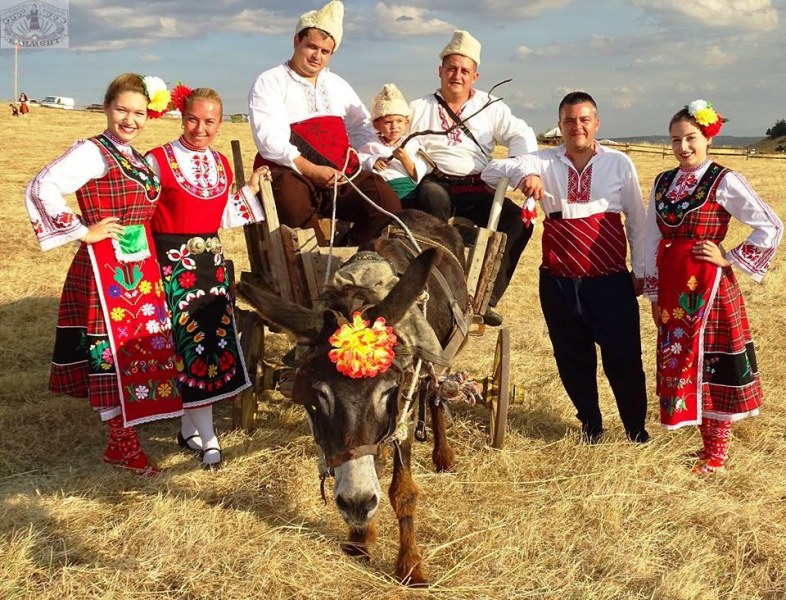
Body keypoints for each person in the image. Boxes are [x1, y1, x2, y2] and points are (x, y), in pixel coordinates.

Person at [24, 73, 182, 476]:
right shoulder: (93, 153)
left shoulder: (134, 156)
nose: (129, 120)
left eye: (139, 113)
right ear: (107, 107)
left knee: (133, 353)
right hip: (105, 268)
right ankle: (124, 448)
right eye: (122, 110)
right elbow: (42, 187)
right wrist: (83, 231)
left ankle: (121, 444)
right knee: (112, 355)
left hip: (138, 269)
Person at [482, 91, 650, 443]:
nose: (577, 127)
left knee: (624, 358)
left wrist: (642, 271)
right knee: (572, 358)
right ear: (560, 125)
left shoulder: (619, 163)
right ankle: (591, 425)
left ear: (596, 123)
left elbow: (636, 220)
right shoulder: (544, 161)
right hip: (559, 280)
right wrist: (527, 172)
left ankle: (636, 429)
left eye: (584, 119)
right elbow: (491, 170)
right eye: (570, 120)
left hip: (609, 280)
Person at [644, 100, 782, 474]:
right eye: (675, 140)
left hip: (710, 285)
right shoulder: (662, 182)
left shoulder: (724, 179)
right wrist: (654, 292)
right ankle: (705, 447)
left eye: (690, 138)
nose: (683, 147)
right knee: (684, 360)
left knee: (711, 363)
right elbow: (650, 236)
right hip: (674, 286)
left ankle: (717, 453)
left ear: (707, 138)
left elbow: (770, 225)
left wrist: (730, 258)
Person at [146, 86, 270, 470]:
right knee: (188, 348)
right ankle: (209, 437)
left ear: (219, 122)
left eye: (210, 121)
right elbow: (141, 215)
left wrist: (248, 189)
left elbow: (220, 218)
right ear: (182, 117)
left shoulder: (220, 163)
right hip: (171, 264)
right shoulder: (157, 160)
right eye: (193, 119)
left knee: (212, 345)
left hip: (211, 266)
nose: (201, 128)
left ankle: (189, 429)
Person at [408, 29, 538, 326]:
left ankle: (484, 299)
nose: (457, 75)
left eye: (464, 70)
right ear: (440, 71)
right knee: (431, 201)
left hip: (477, 186)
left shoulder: (491, 107)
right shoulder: (418, 108)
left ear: (475, 76)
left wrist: (524, 169)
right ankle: (432, 291)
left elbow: (520, 134)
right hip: (436, 183)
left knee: (520, 222)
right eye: (451, 68)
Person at [248, 0, 401, 246]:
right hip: (294, 174)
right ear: (297, 41)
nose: (317, 56)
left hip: (338, 175)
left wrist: (365, 159)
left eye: (325, 51)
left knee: (386, 202)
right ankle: (316, 262)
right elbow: (270, 140)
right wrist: (312, 170)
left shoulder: (337, 85)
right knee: (289, 196)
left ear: (332, 53)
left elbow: (361, 127)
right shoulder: (270, 81)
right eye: (312, 47)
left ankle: (348, 255)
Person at [358, 83, 429, 201]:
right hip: (382, 191)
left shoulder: (412, 144)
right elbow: (360, 161)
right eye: (388, 122)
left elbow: (419, 171)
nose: (394, 126)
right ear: (376, 125)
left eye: (399, 121)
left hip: (409, 192)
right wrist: (374, 160)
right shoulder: (371, 145)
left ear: (406, 123)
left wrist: (405, 159)